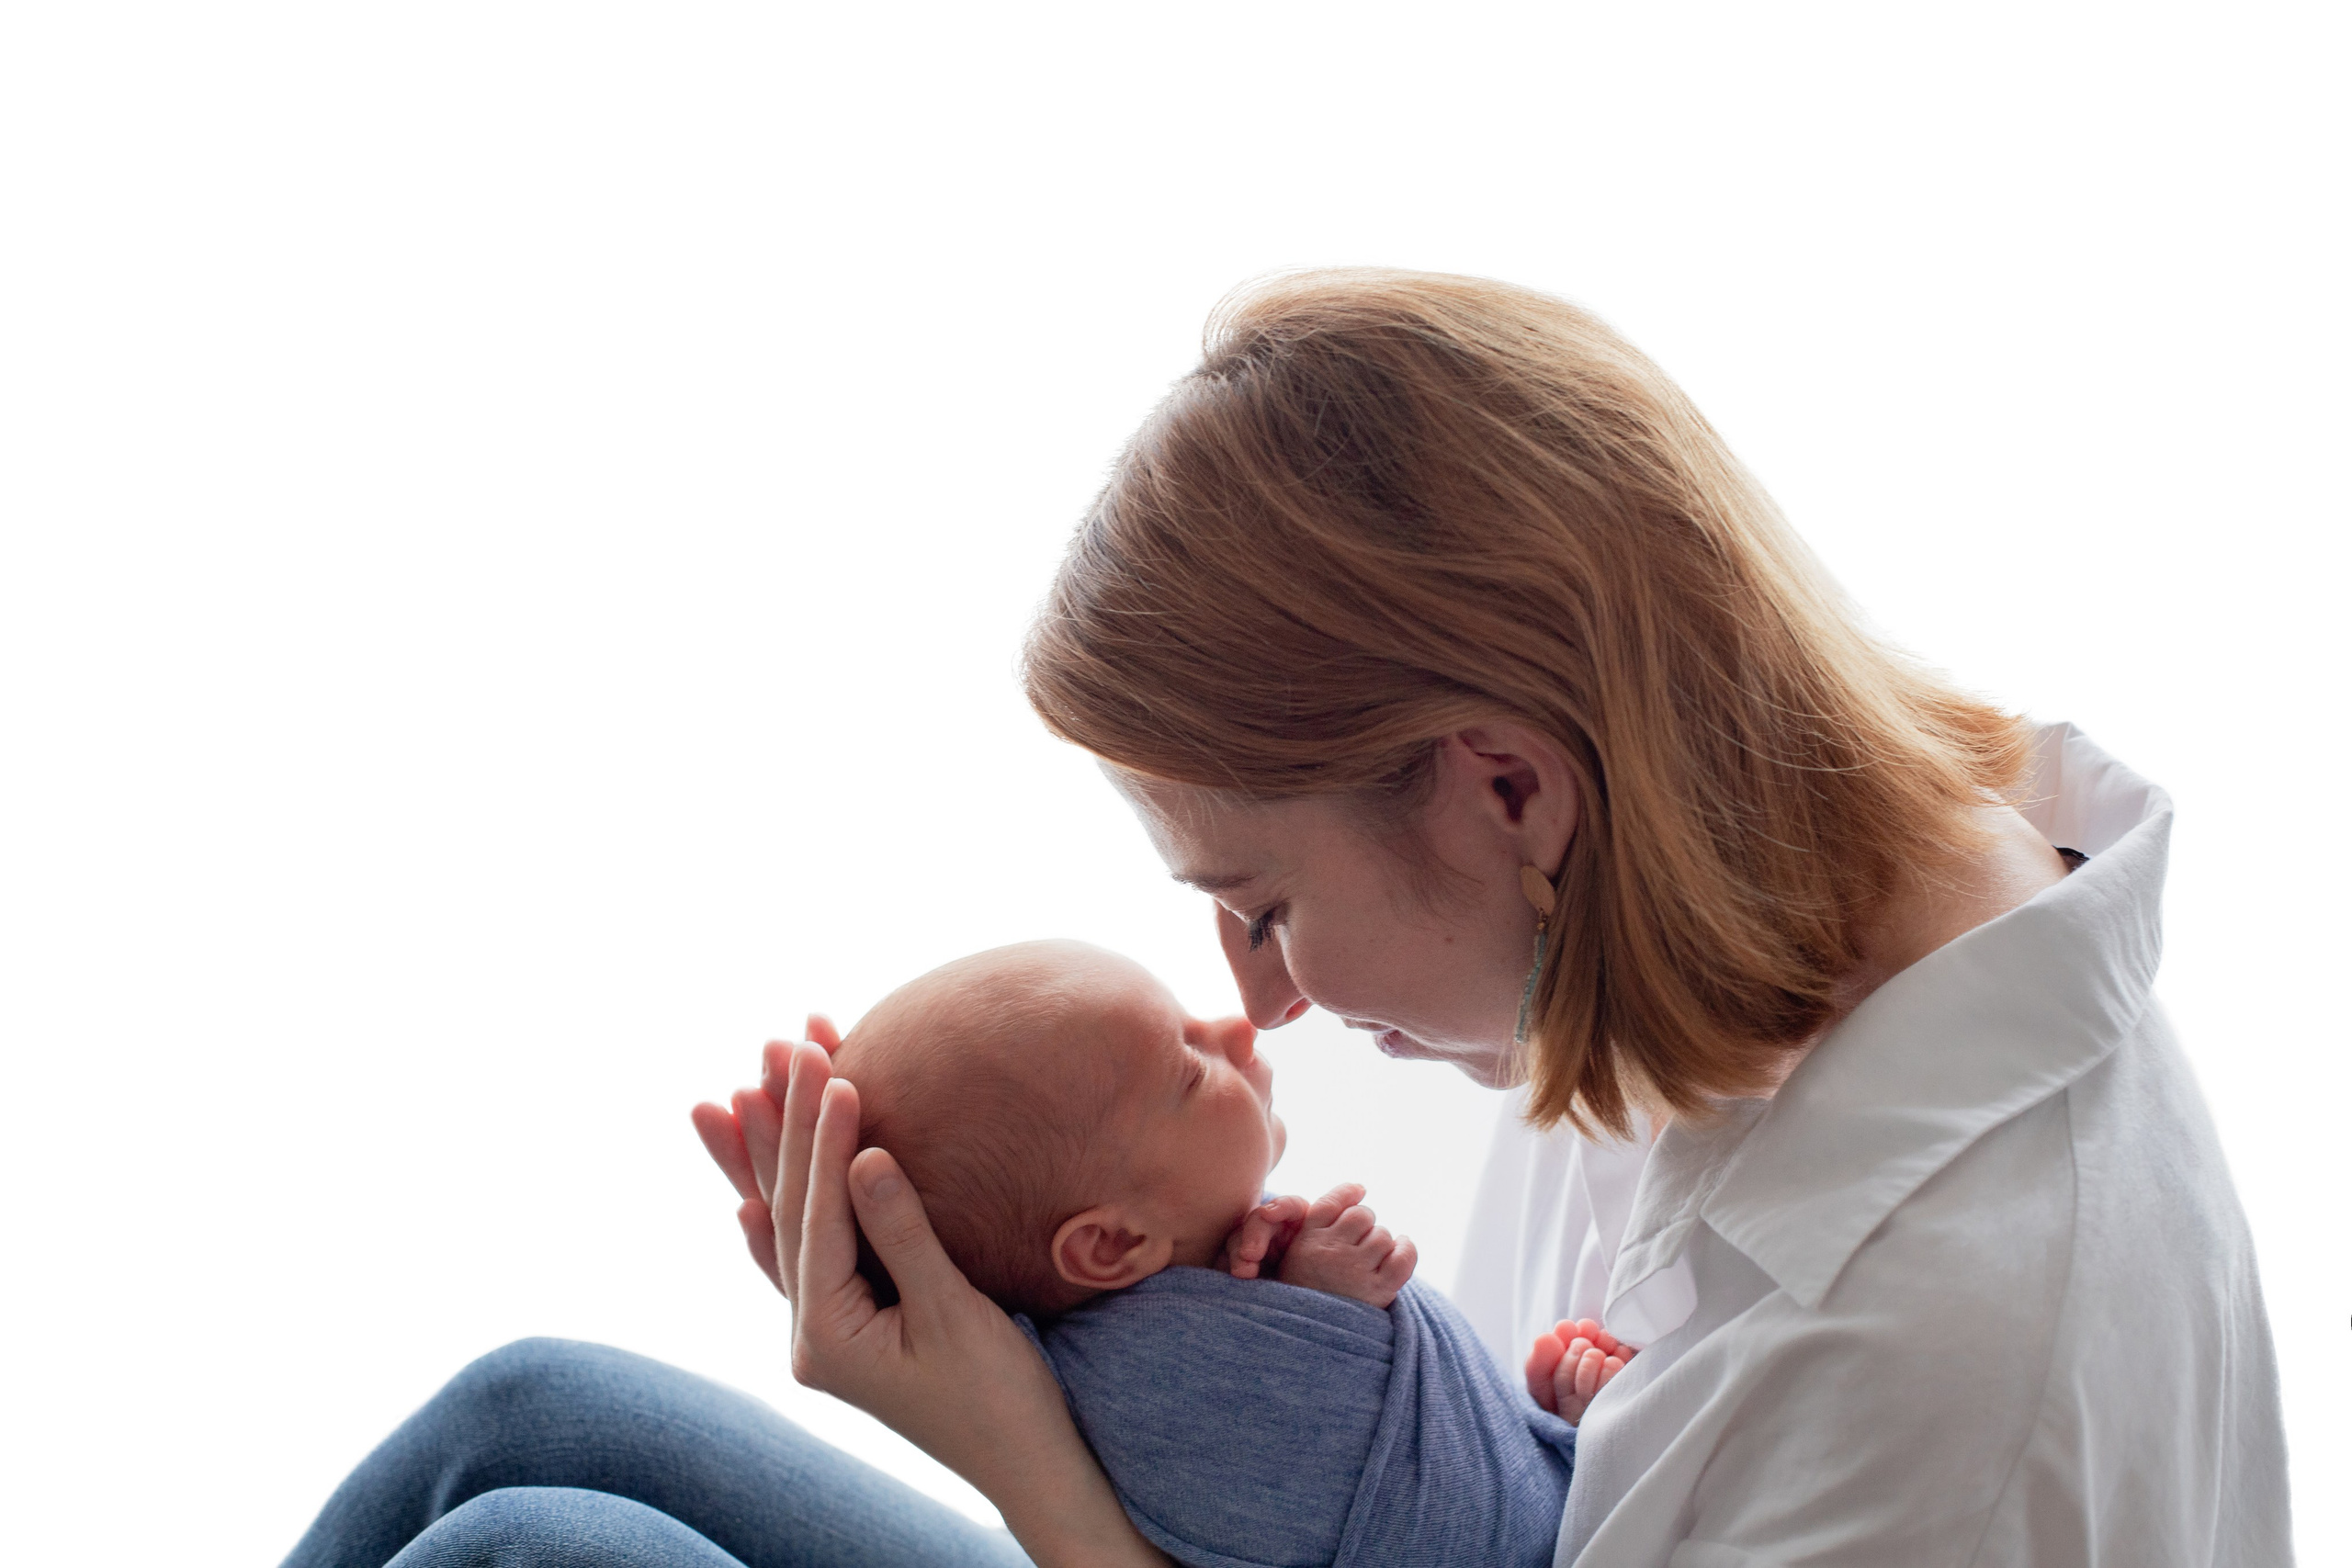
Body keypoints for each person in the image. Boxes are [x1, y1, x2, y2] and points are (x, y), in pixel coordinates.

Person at [282, 270, 2290, 1566]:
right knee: (524, 1416)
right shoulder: (1784, 907)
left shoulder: (1918, 1373)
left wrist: (1036, 1469)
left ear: (1502, 780)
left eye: (1255, 903)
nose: (1257, 999)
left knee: (528, 1559)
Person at [817, 938, 1590, 1568]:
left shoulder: (1141, 1318)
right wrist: (1335, 1314)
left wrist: (1531, 1425)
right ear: (1112, 1242)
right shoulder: (1157, 1378)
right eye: (1190, 1067)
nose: (1238, 1028)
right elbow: (1342, 1467)